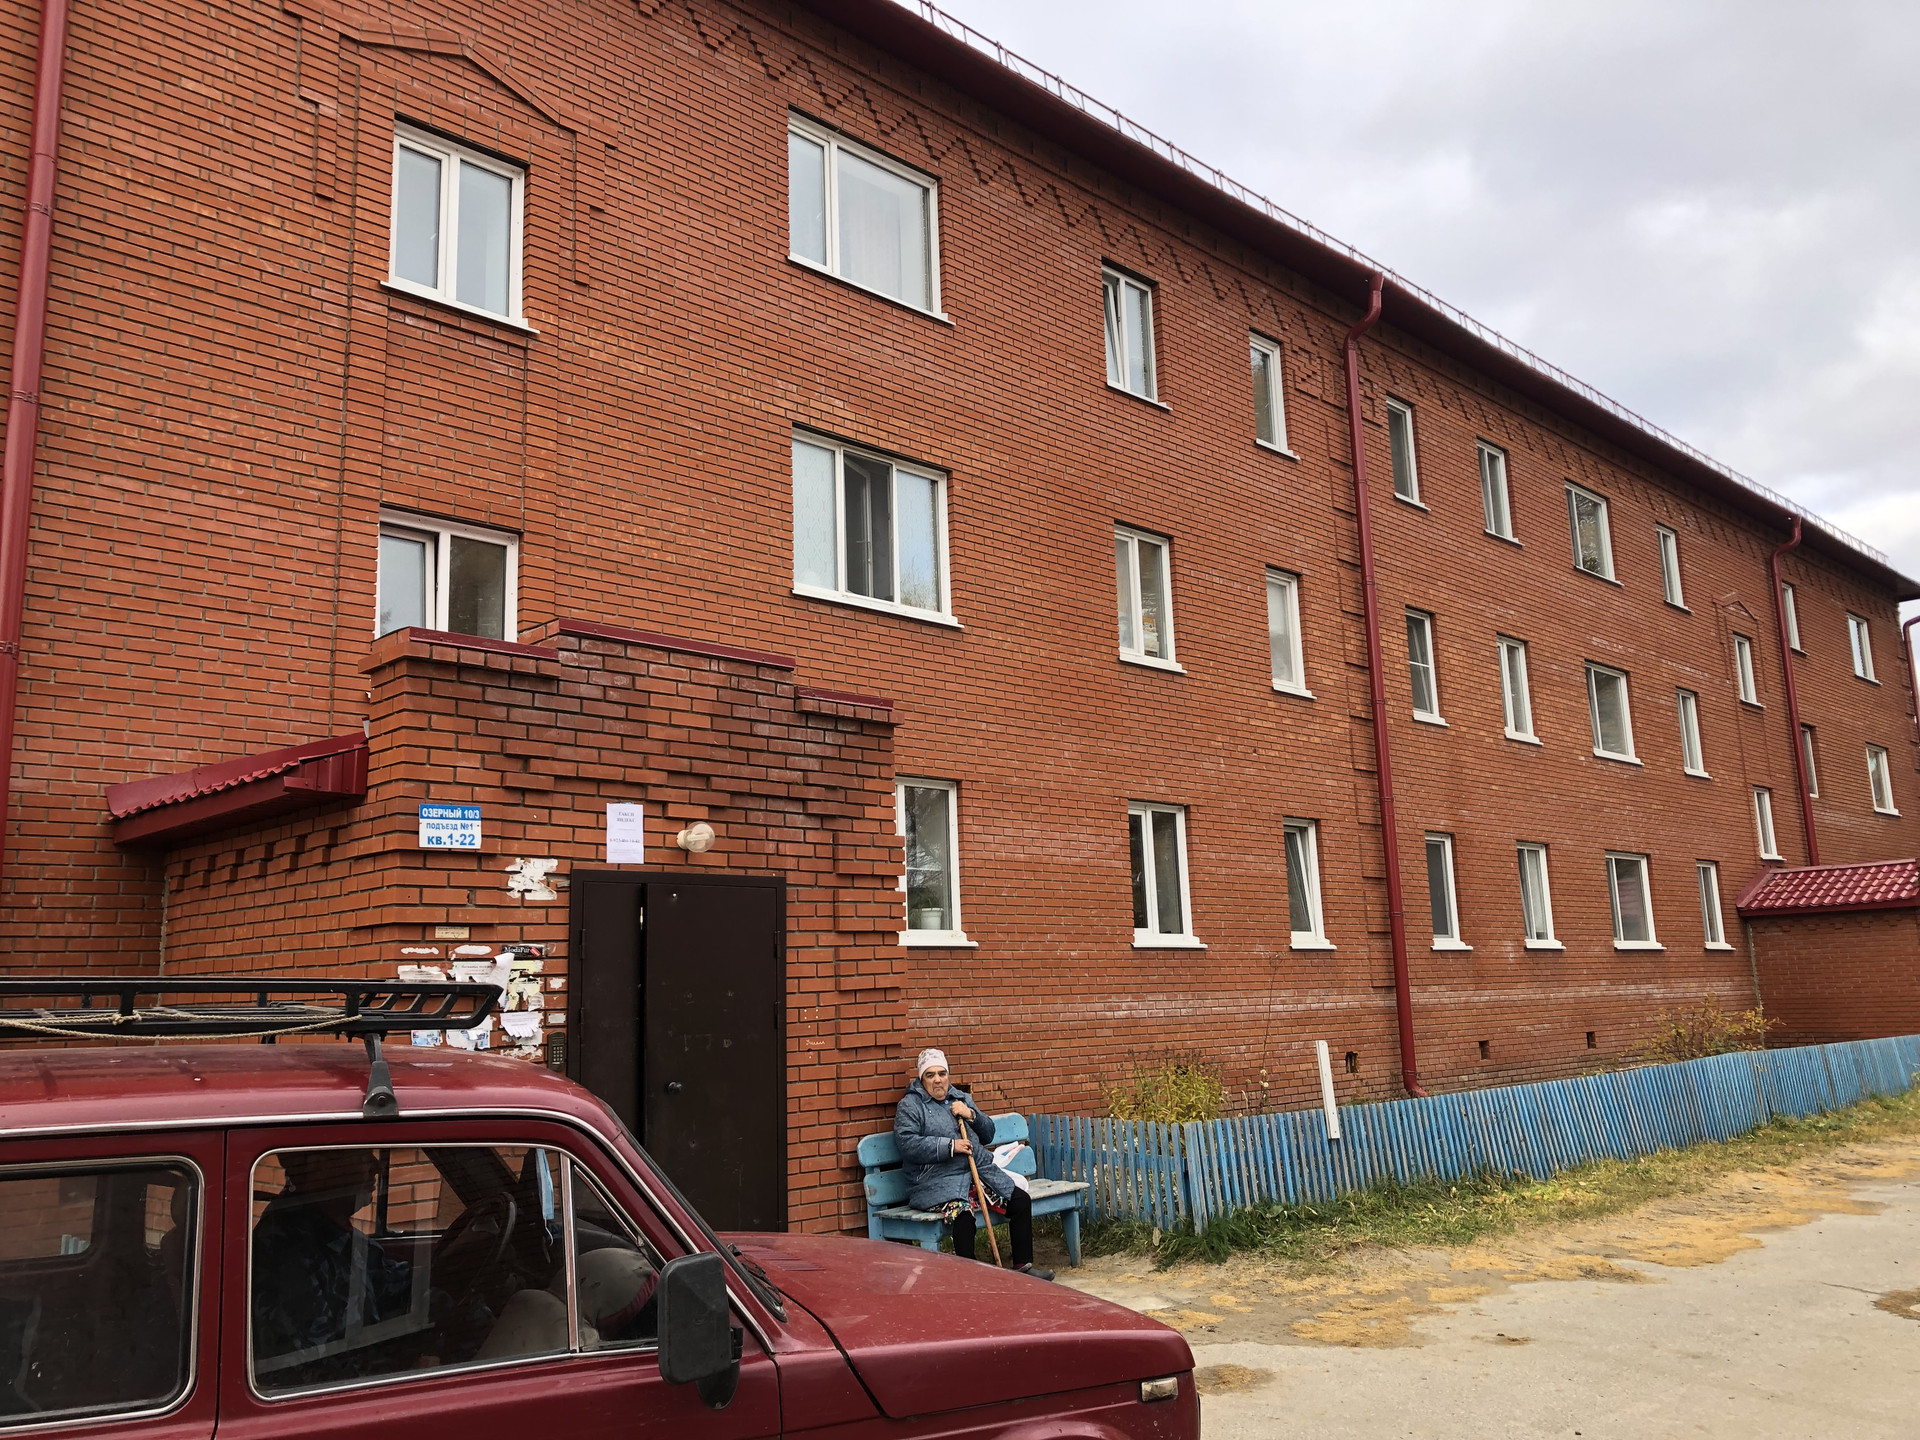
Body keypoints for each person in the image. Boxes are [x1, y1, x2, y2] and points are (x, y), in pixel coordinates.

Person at [893, 1048, 1053, 1281]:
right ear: (922, 1078)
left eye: (942, 1073)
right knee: (963, 1216)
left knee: (1019, 1200)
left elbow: (988, 1134)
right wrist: (950, 1146)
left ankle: (1023, 1267)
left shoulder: (960, 1098)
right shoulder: (911, 1106)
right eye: (930, 1075)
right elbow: (907, 1143)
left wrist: (970, 1115)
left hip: (975, 1173)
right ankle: (971, 1278)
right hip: (935, 1180)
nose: (937, 1080)